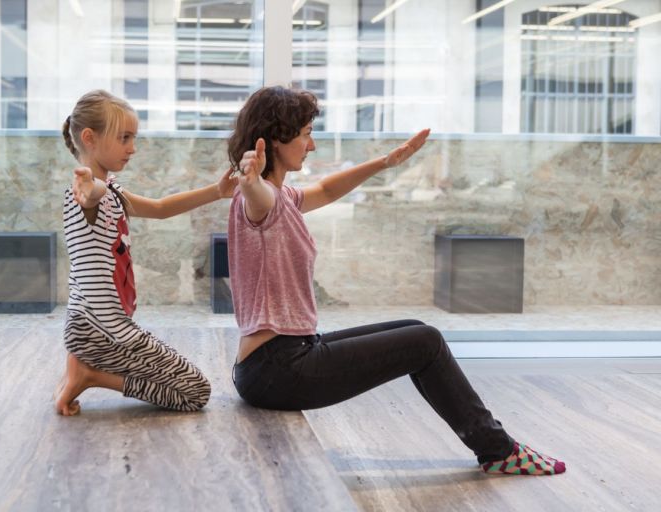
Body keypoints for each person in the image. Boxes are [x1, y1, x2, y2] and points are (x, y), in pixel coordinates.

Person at [226, 86, 565, 476]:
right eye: (305, 133)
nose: (312, 144)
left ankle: (496, 448)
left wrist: (386, 162)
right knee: (427, 342)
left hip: (274, 361)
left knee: (416, 330)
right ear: (277, 137)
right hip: (279, 370)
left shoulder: (282, 196)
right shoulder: (260, 197)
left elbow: (325, 189)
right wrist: (248, 179)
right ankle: (498, 450)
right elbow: (254, 196)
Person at [55, 89, 235, 416]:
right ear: (89, 138)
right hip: (102, 331)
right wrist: (90, 186)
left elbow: (162, 208)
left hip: (95, 327)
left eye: (133, 138)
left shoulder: (112, 191)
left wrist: (218, 191)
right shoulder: (86, 194)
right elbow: (91, 194)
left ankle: (82, 365)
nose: (132, 148)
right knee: (195, 392)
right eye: (124, 138)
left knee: (184, 387)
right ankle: (89, 374)